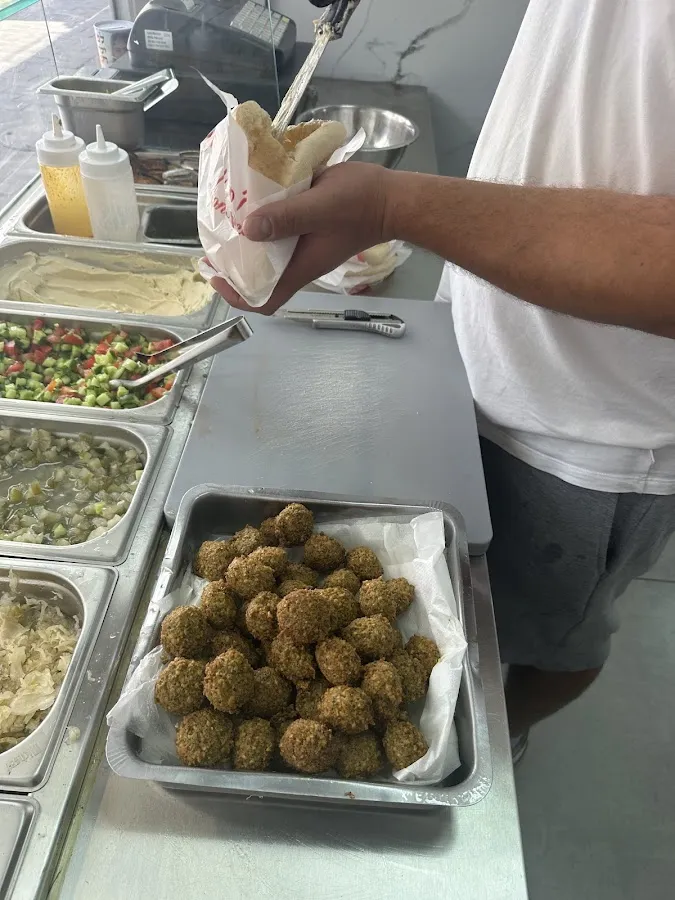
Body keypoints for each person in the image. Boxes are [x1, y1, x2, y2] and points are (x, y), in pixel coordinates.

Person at [213, 0, 675, 759]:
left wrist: (395, 205)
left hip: (593, 429)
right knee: (456, 610)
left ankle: (496, 737)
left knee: (552, 641)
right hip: (472, 363)